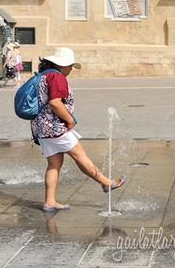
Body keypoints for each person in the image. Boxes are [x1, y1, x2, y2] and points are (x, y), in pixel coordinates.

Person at [31, 47, 127, 212]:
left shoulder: (43, 76)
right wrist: (69, 120)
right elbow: (55, 102)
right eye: (70, 66)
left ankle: (50, 201)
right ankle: (107, 183)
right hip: (56, 127)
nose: (71, 70)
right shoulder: (57, 77)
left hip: (42, 128)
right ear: (62, 64)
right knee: (81, 157)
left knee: (54, 164)